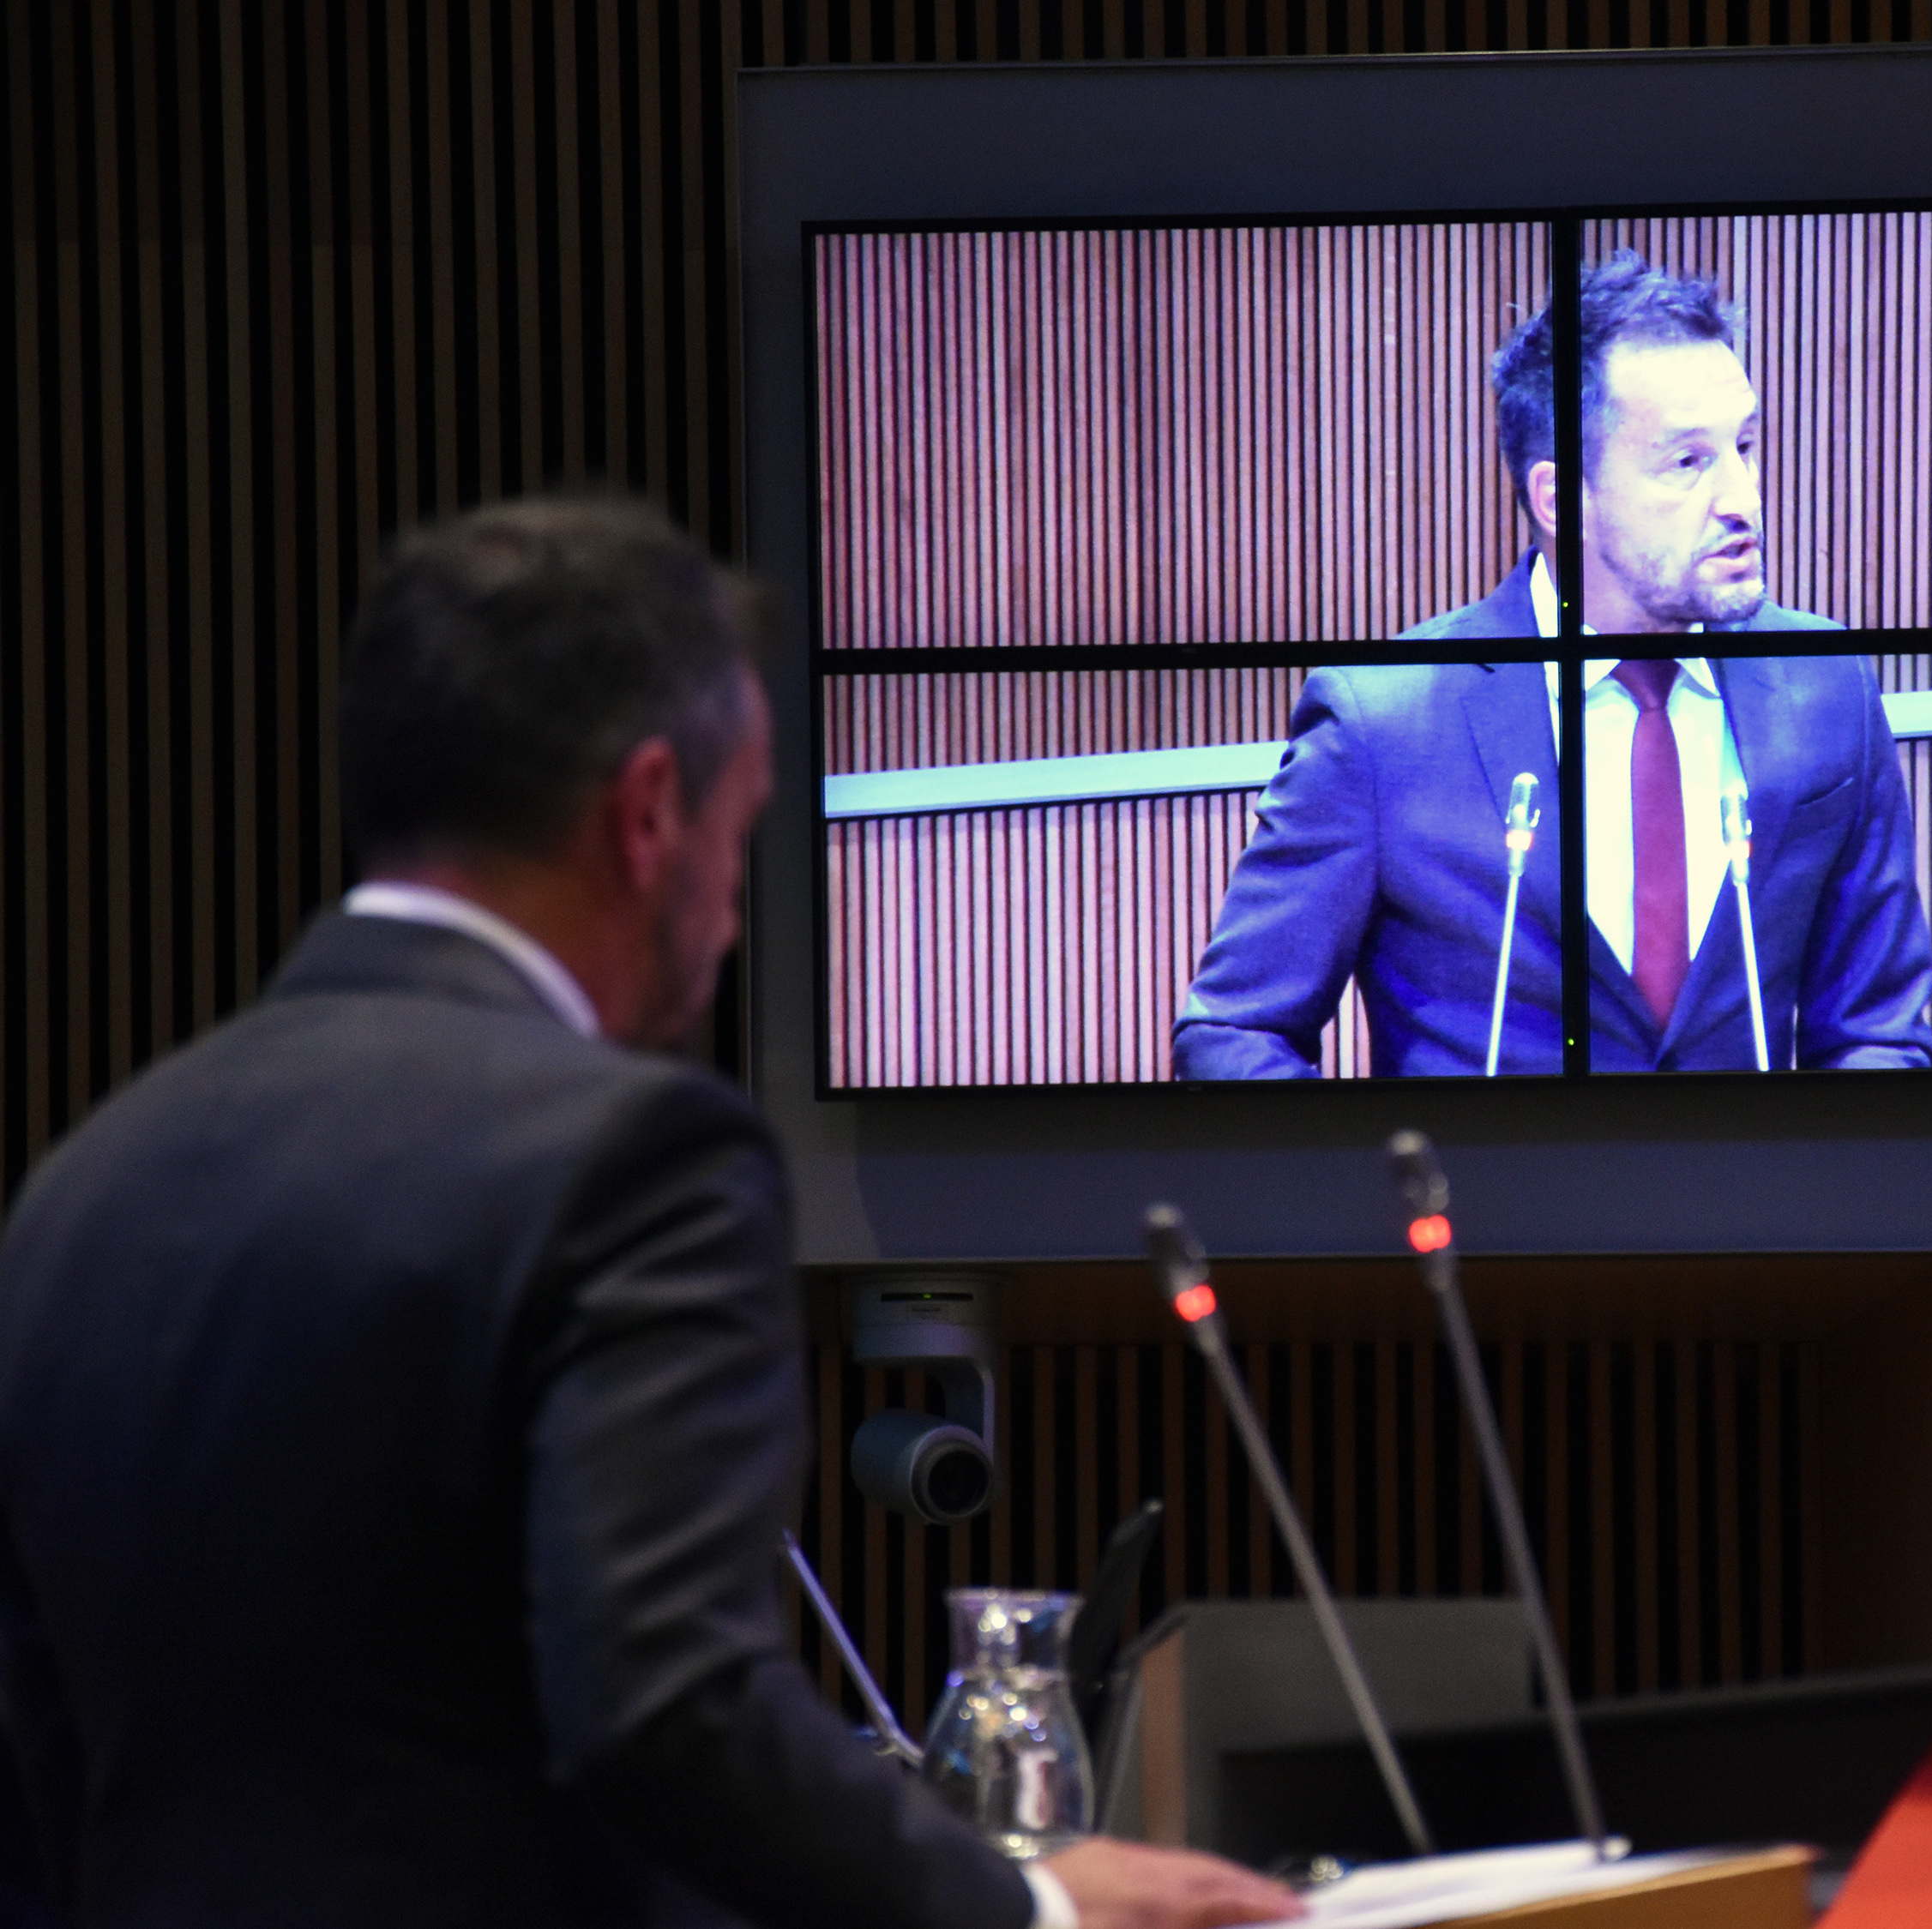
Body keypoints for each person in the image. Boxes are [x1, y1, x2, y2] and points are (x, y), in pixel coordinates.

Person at [0, 497, 1299, 1929]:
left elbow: (37, 1765)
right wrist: (1031, 1908)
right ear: (647, 815)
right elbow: (667, 1708)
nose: (731, 915)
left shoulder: (82, 1190)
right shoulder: (630, 1157)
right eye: (740, 835)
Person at [1173, 257, 1932, 1078]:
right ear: (1559, 498)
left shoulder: (1822, 685)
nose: (1741, 498)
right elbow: (1233, 1035)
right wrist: (1389, 1160)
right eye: (1687, 463)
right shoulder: (1383, 726)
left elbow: (1880, 1034)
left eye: (1743, 447)